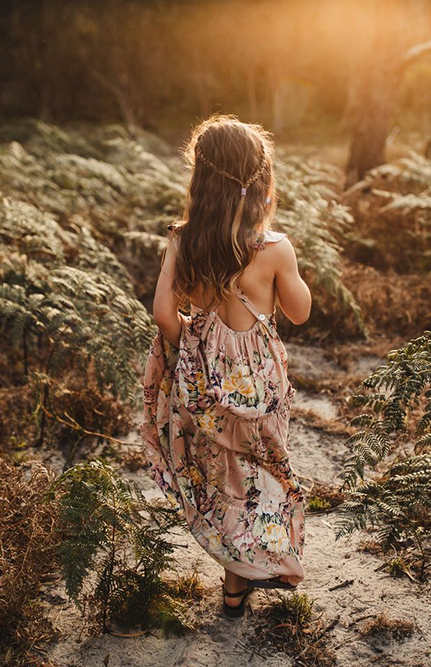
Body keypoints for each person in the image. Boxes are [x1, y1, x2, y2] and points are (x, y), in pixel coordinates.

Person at [141, 114, 312, 618]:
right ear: (258, 181)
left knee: (222, 475)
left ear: (201, 180)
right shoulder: (274, 249)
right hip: (259, 382)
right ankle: (251, 570)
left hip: (203, 382)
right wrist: (293, 273)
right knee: (265, 467)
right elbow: (299, 312)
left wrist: (189, 352)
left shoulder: (183, 240)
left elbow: (161, 312)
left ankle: (237, 583)